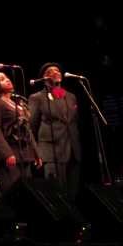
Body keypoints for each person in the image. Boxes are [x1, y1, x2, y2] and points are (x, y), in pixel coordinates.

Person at [0, 72, 42, 193]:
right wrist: (7, 153)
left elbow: (27, 129)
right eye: (1, 79)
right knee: (12, 191)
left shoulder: (16, 103)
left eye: (6, 78)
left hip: (24, 154)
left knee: (26, 192)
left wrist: (36, 152)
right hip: (9, 153)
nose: (7, 80)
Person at [29, 63, 81, 199]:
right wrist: (35, 151)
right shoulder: (37, 98)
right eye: (50, 71)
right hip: (51, 151)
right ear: (44, 78)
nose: (55, 72)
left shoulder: (71, 96)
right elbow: (31, 126)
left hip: (72, 149)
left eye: (57, 70)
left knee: (72, 193)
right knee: (57, 193)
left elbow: (74, 122)